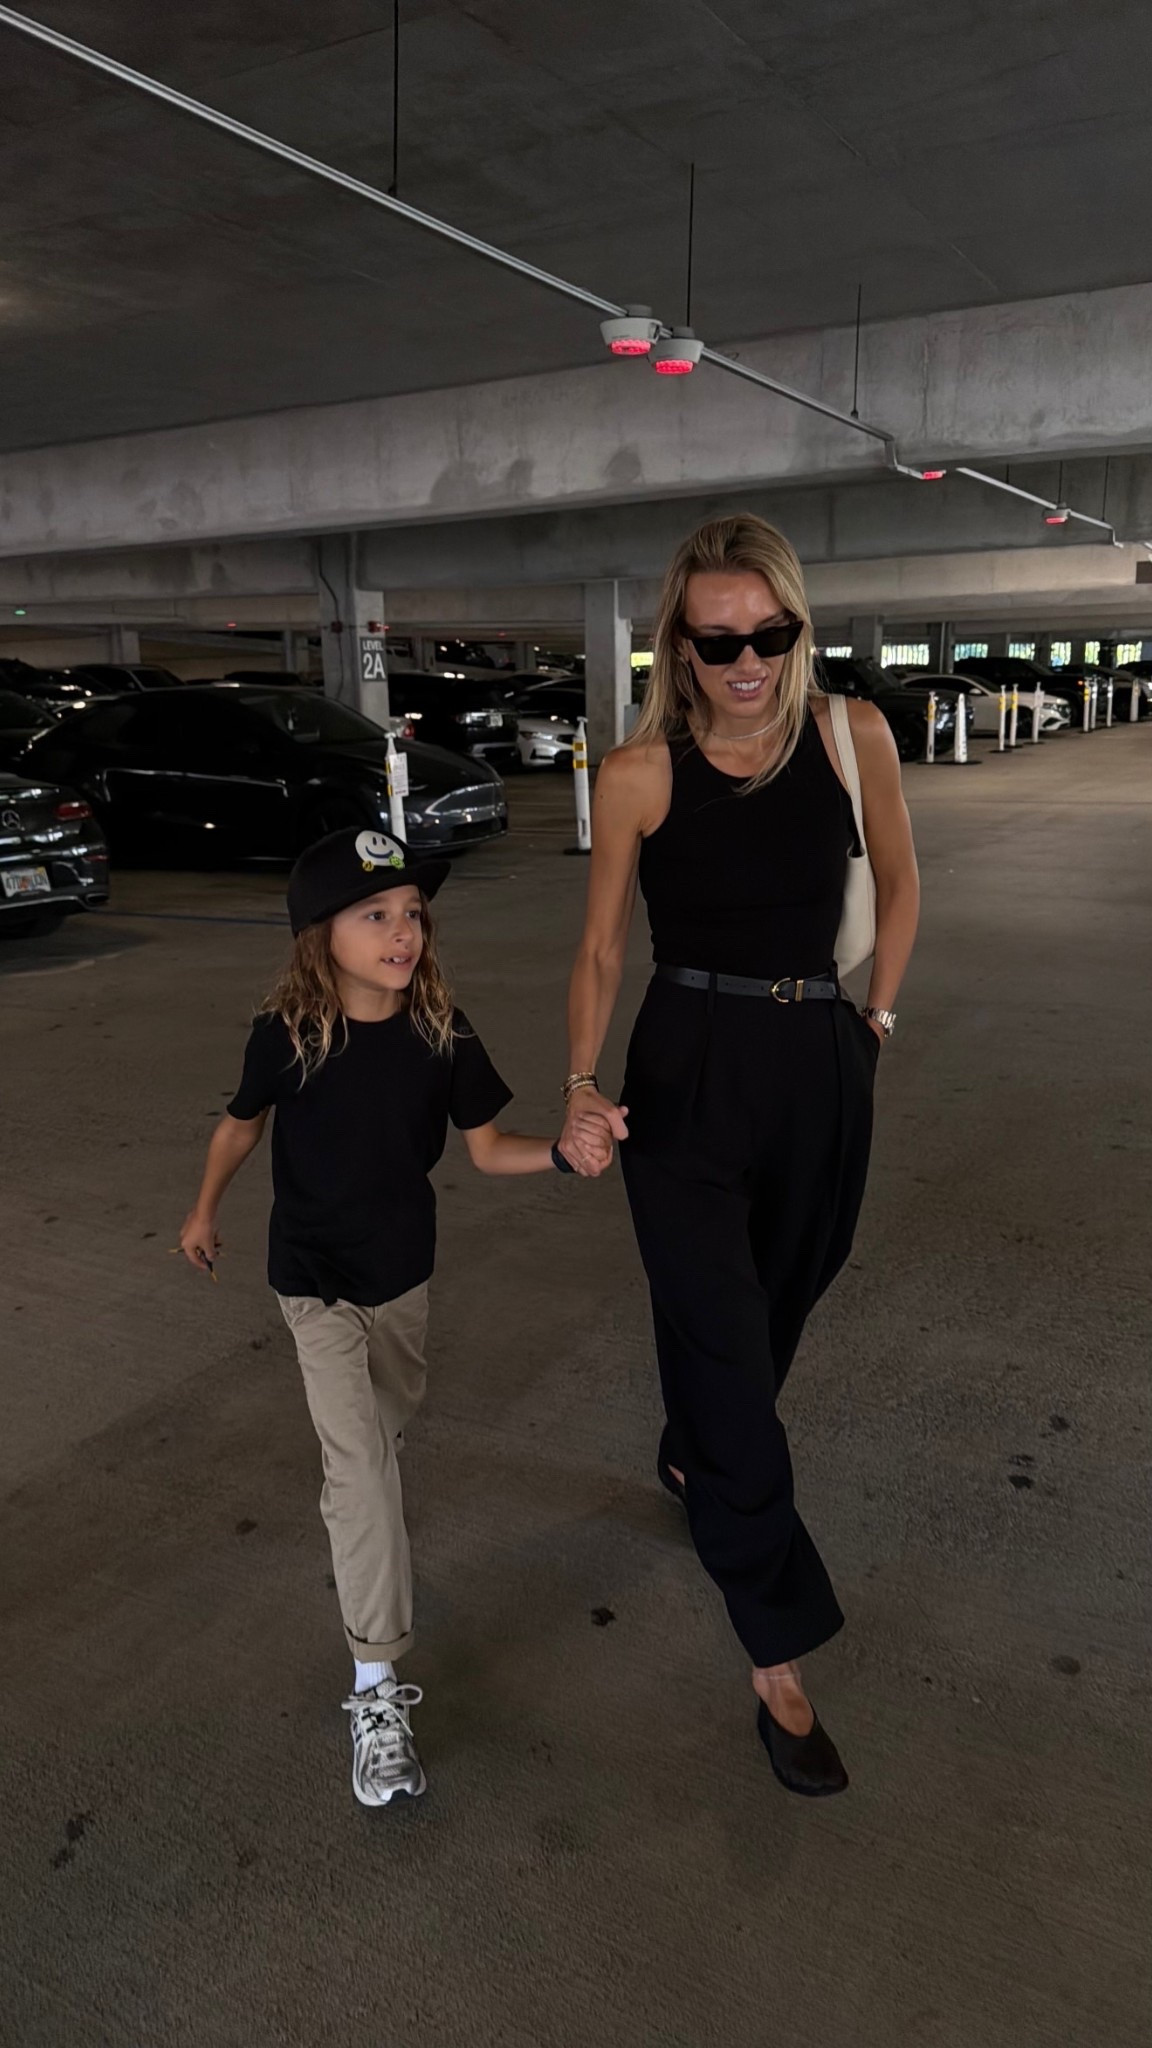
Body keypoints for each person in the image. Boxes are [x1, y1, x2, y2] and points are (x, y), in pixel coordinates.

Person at [561, 515, 919, 1796]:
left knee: (777, 1301)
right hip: (689, 1069)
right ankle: (776, 1651)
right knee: (720, 1331)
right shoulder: (639, 775)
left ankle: (693, 1444)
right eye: (721, 640)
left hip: (823, 1058)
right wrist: (582, 1084)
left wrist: (875, 1018)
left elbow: (907, 882)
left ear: (797, 626)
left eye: (771, 633)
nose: (749, 660)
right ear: (680, 642)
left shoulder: (850, 734)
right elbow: (603, 947)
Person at [179, 826, 609, 1810]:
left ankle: (356, 1493)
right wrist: (204, 1208)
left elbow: (490, 1145)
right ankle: (376, 1689)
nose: (402, 929)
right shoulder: (286, 1036)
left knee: (373, 1446)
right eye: (375, 913)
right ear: (319, 934)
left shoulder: (442, 1036)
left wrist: (564, 1153)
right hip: (314, 1280)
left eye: (413, 911)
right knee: (365, 1467)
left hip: (401, 1280)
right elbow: (241, 1123)